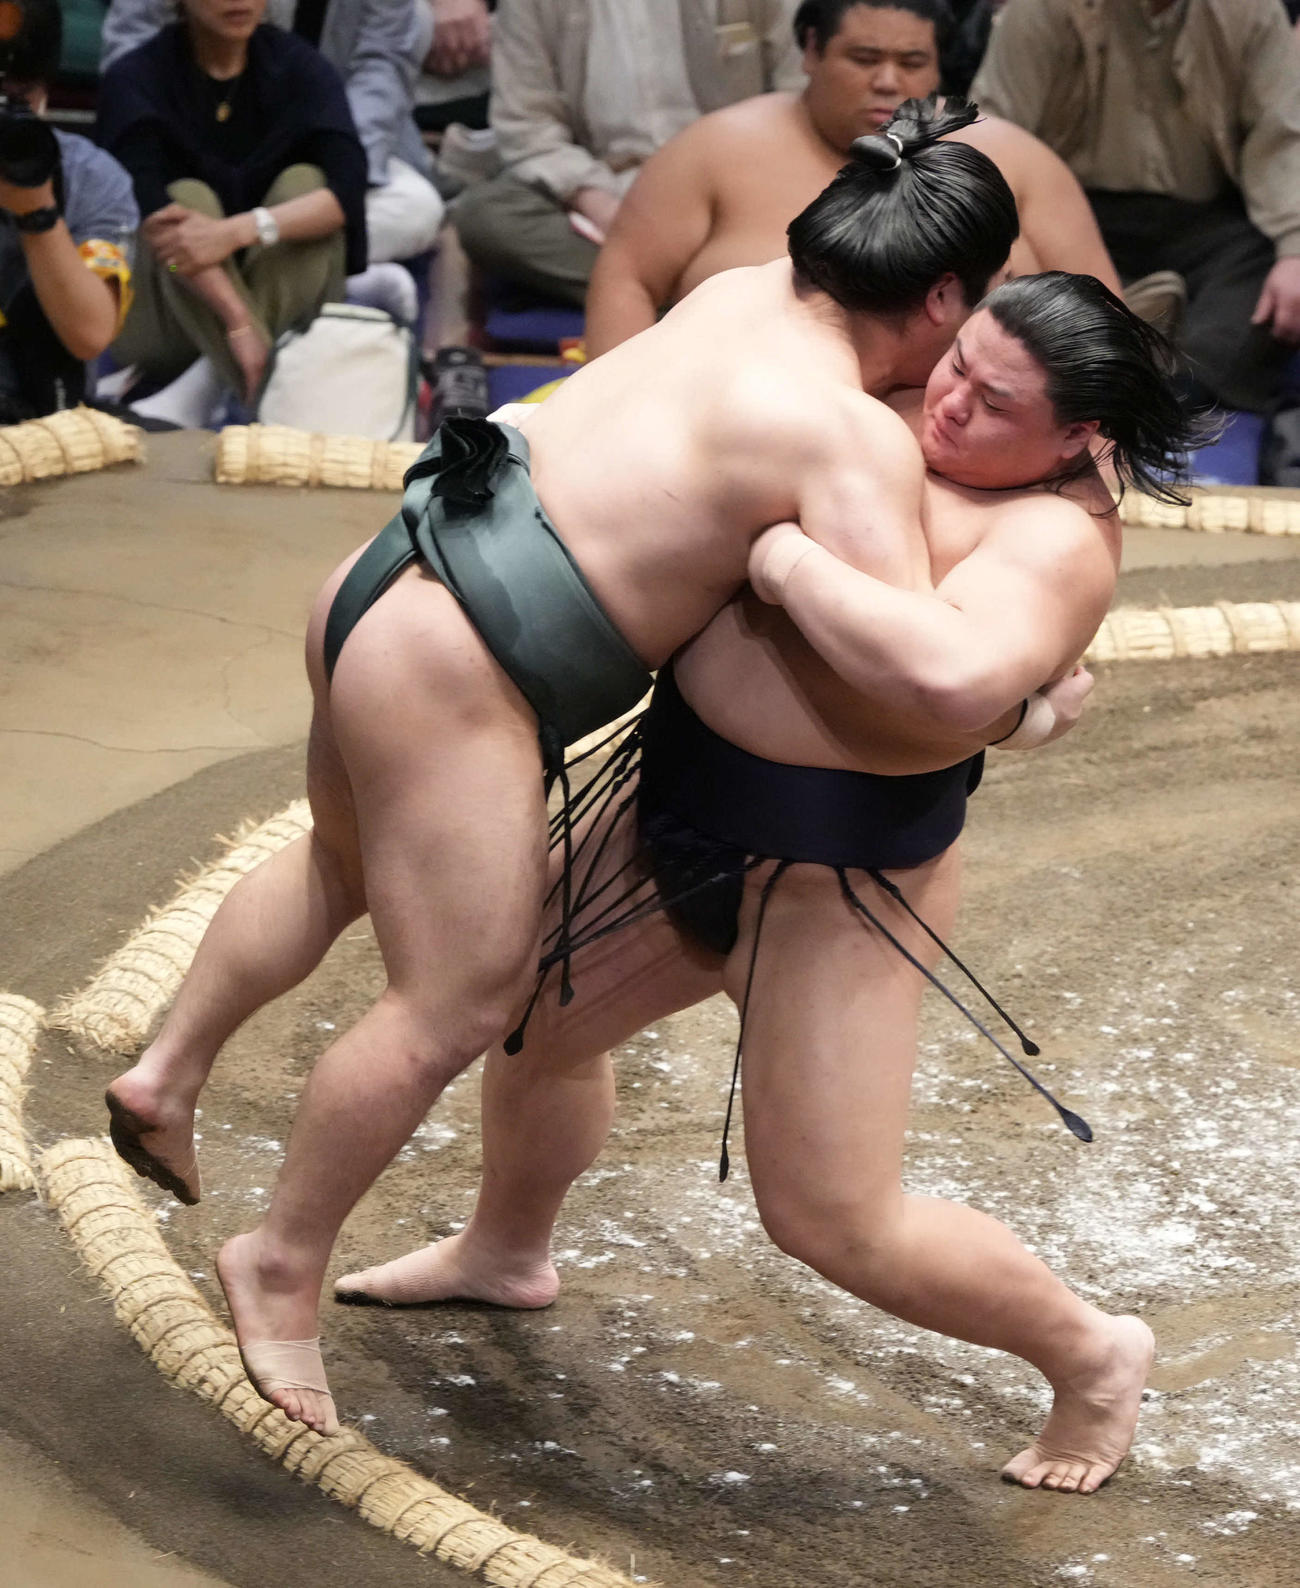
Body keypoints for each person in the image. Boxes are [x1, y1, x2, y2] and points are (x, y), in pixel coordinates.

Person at [102, 101, 1034, 1437]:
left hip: (388, 572)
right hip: (464, 667)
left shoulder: (734, 291)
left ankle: (171, 1071)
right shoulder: (849, 437)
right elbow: (901, 665)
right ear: (945, 296)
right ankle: (280, 1258)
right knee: (457, 1002)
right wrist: (1018, 694)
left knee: (339, 864)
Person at [336, 273, 1208, 1494]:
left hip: (838, 887)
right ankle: (504, 1246)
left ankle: (1092, 1352)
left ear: (1079, 437)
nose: (945, 400)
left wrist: (790, 562)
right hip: (674, 806)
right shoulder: (893, 404)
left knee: (833, 1220)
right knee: (527, 1015)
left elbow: (950, 672)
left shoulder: (1053, 538)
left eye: (990, 397)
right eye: (953, 362)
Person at [584, 0, 1118, 357]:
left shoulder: (1019, 162)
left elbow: (1101, 314)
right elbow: (627, 278)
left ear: (938, 69)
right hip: (735, 426)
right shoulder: (713, 149)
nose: (887, 82)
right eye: (864, 58)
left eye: (912, 62)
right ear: (811, 51)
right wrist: (617, 404)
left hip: (971, 448)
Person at [971, 0, 1300, 416]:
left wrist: (1295, 248)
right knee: (1010, 254)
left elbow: (1283, 137)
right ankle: (1121, 358)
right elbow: (993, 136)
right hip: (1076, 215)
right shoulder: (1041, 9)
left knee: (1272, 264)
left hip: (1206, 224)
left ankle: (1168, 394)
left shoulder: (1251, 10)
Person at [96, 0, 368, 427]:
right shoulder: (135, 77)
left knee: (305, 184)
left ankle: (204, 387)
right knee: (186, 200)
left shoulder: (301, 66)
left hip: (278, 281)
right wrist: (237, 321)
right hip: (168, 311)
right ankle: (261, 383)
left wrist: (238, 231)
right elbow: (154, 221)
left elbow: (346, 193)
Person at [451, 0, 807, 306]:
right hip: (603, 191)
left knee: (824, 215)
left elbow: (800, 99)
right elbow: (527, 124)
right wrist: (600, 205)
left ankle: (647, 298)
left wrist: (735, 201)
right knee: (488, 216)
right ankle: (702, 301)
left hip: (735, 187)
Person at [102, 0, 443, 275]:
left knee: (416, 208)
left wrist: (335, 148)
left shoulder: (300, 65)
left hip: (310, 151)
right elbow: (130, 48)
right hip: (191, 147)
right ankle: (331, 284)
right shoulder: (148, 64)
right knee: (161, 214)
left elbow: (382, 65)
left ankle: (249, 266)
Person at [0, 0, 136, 420]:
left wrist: (37, 212)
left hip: (47, 414)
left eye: (16, 101)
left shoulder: (93, 177)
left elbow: (91, 335)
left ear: (43, 93)